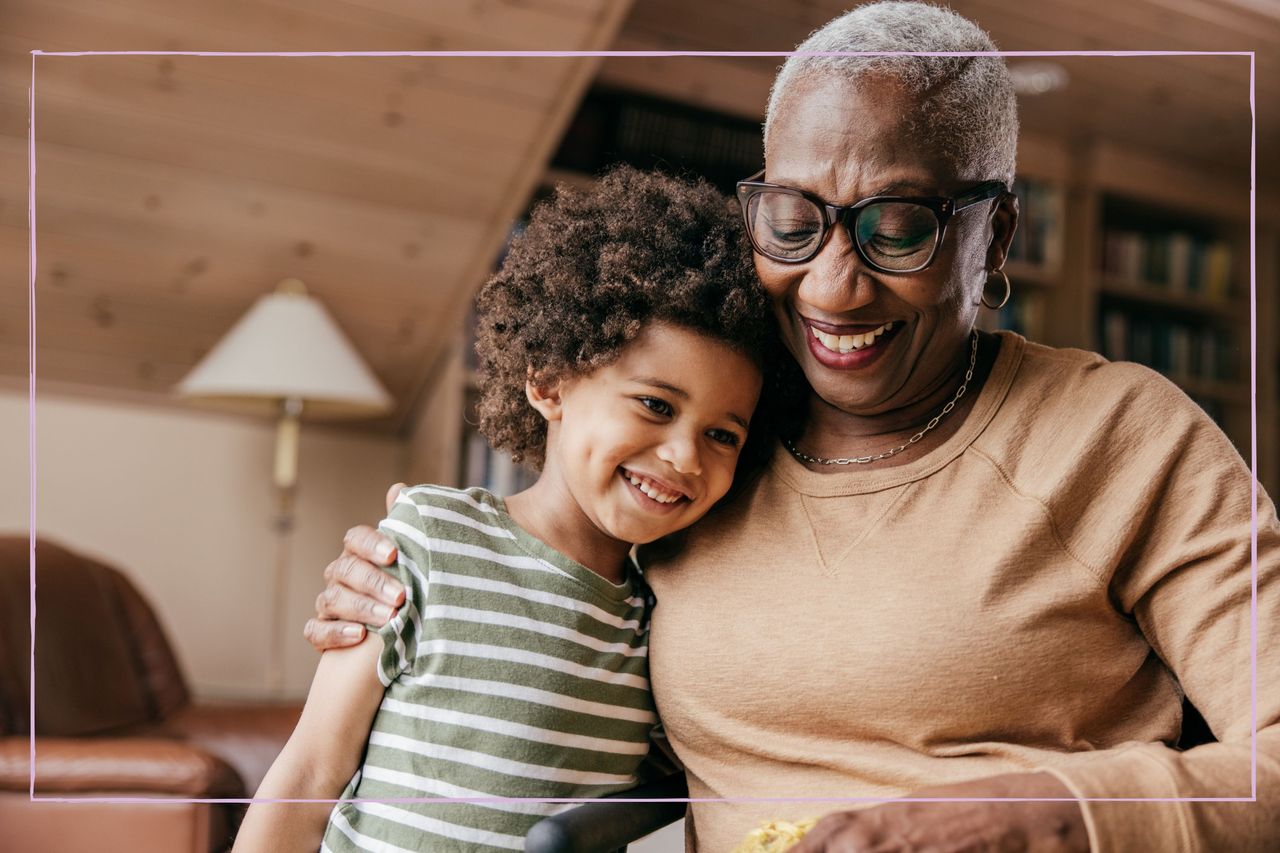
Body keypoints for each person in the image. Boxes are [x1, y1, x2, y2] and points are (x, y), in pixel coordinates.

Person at [305, 3, 1279, 851]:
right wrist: (413, 581)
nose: (832, 285)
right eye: (791, 218)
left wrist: (1038, 816)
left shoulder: (1120, 434)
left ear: (996, 237)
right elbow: (565, 633)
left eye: (897, 226)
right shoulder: (711, 448)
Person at [232, 166, 772, 852]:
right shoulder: (427, 539)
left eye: (722, 434)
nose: (686, 456)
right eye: (656, 406)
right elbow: (311, 770)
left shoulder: (658, 624)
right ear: (548, 381)